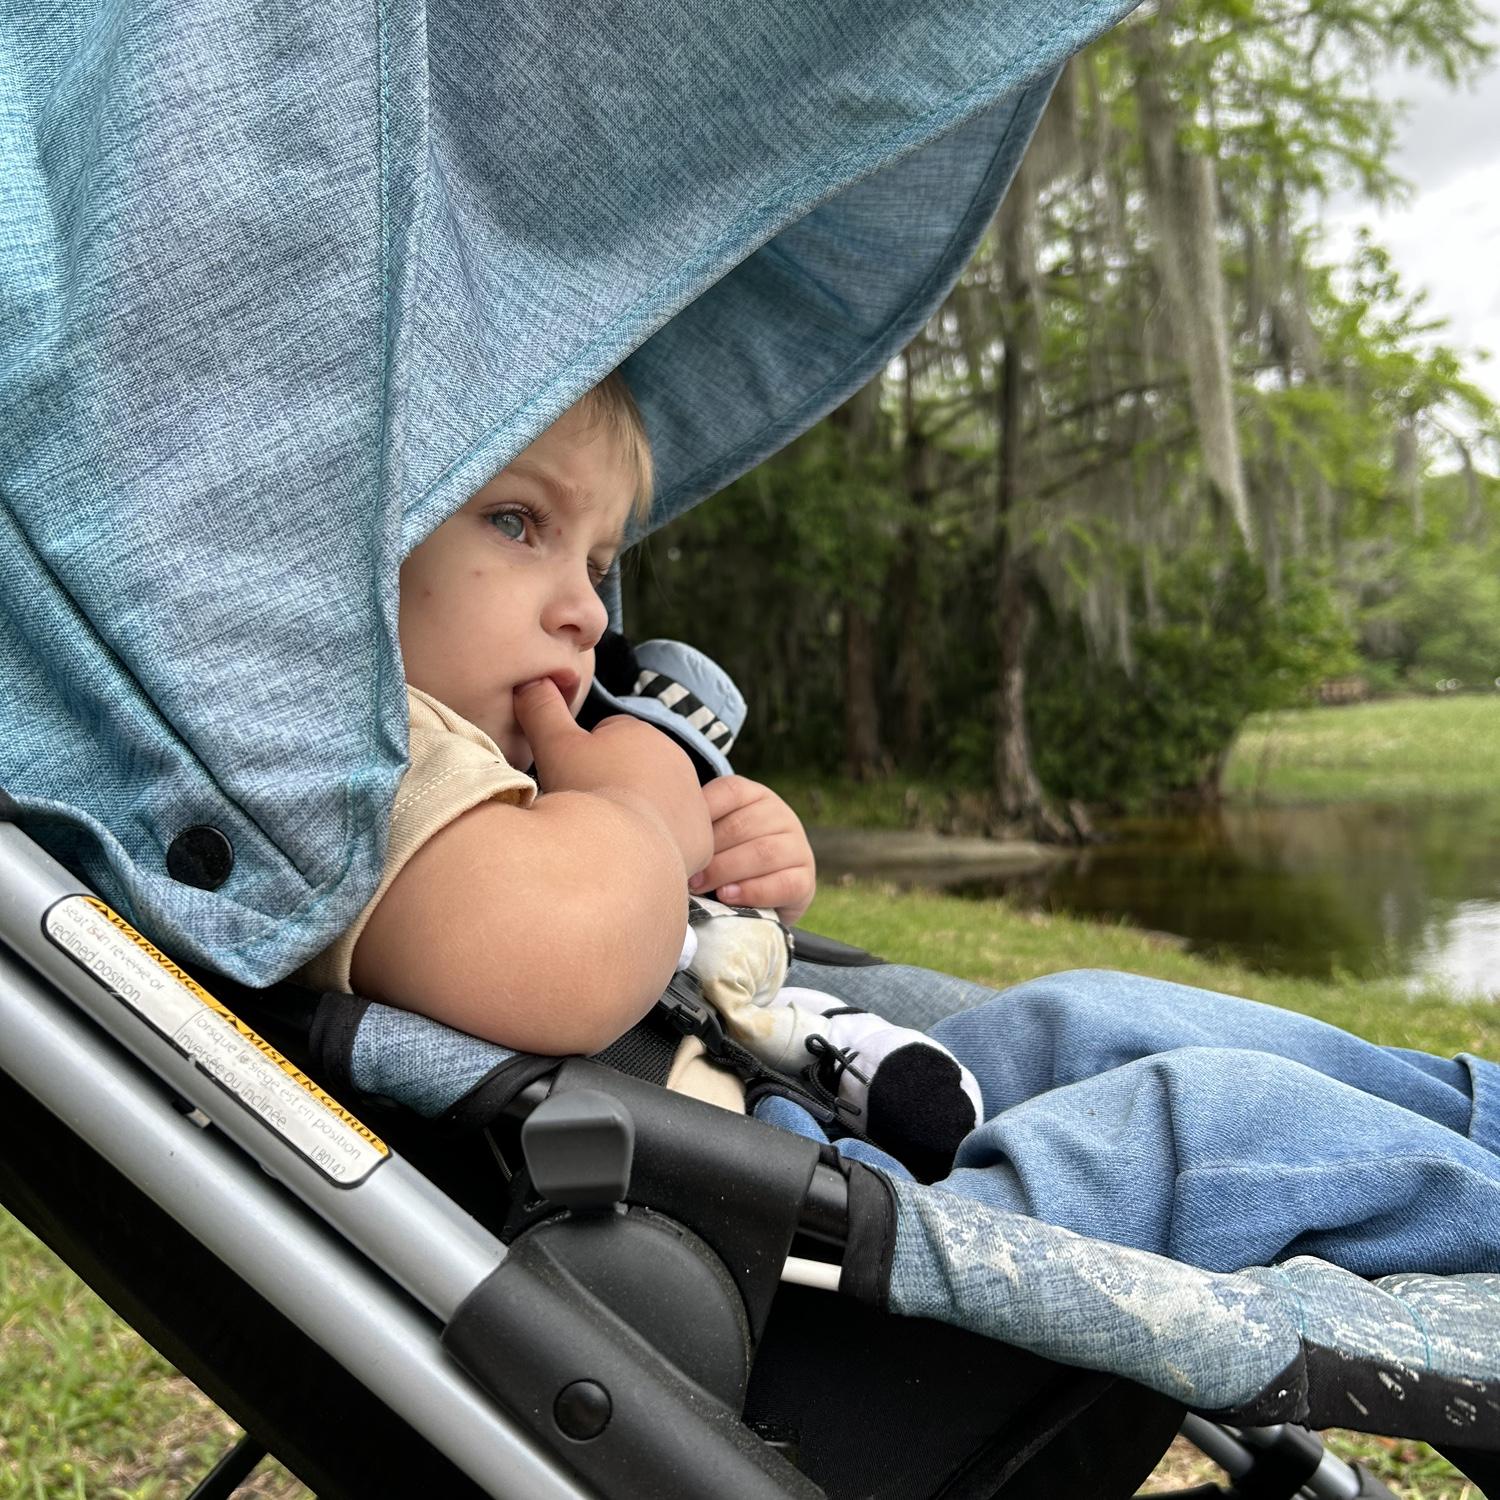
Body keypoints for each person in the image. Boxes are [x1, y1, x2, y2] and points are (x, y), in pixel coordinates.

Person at [301, 373, 1500, 1280]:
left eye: (602, 559)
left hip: (832, 1111)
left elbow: (655, 930)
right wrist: (639, 808)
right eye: (518, 523)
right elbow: (564, 940)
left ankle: (1479, 1114)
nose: (585, 610)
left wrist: (736, 881)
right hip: (800, 1228)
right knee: (1204, 1126)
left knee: (1090, 1016)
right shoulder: (350, 766)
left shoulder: (498, 776)